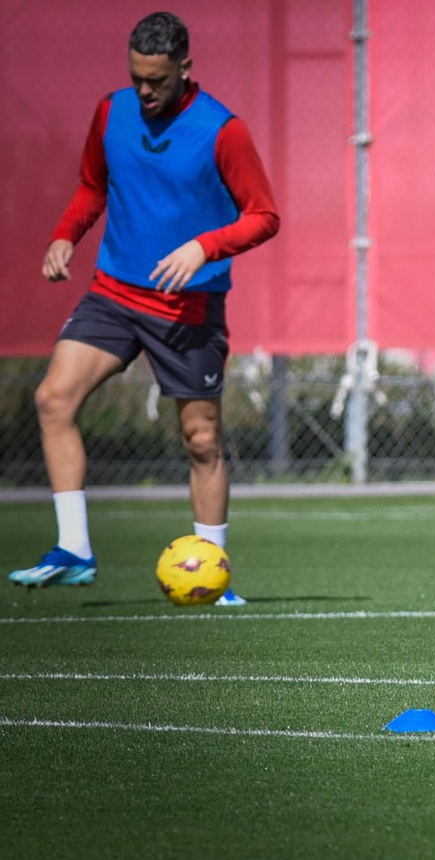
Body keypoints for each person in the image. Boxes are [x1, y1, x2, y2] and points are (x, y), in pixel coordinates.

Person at [9, 12, 280, 604]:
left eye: (156, 80)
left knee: (201, 438)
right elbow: (92, 185)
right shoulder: (112, 111)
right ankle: (75, 550)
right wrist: (65, 235)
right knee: (53, 398)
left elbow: (263, 215)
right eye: (136, 78)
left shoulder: (221, 130)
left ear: (186, 68)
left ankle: (214, 572)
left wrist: (204, 245)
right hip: (113, 292)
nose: (145, 91)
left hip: (187, 307)